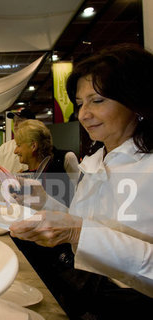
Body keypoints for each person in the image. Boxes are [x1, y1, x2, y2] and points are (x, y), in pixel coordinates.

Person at [10, 44, 153, 318]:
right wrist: (41, 200)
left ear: (136, 101)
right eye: (79, 103)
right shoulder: (99, 159)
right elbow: (88, 221)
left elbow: (87, 231)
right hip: (85, 290)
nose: (83, 114)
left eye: (97, 101)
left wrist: (78, 232)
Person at [0, 108, 35, 173]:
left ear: (31, 123)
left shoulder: (37, 146)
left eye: (20, 120)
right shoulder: (5, 148)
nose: (15, 124)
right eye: (14, 121)